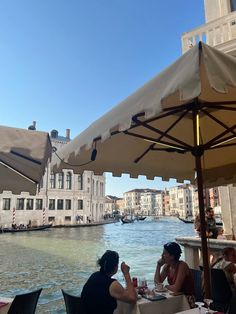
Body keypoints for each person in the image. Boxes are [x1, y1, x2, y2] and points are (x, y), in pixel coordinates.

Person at [81, 250, 137, 314]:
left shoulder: (94, 276)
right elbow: (132, 299)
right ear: (116, 267)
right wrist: (126, 273)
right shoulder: (112, 284)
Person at [154, 242, 195, 308]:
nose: (162, 256)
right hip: (175, 298)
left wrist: (165, 286)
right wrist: (158, 266)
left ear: (172, 256)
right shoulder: (167, 266)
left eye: (164, 253)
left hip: (187, 300)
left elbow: (176, 288)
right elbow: (157, 283)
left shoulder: (182, 265)